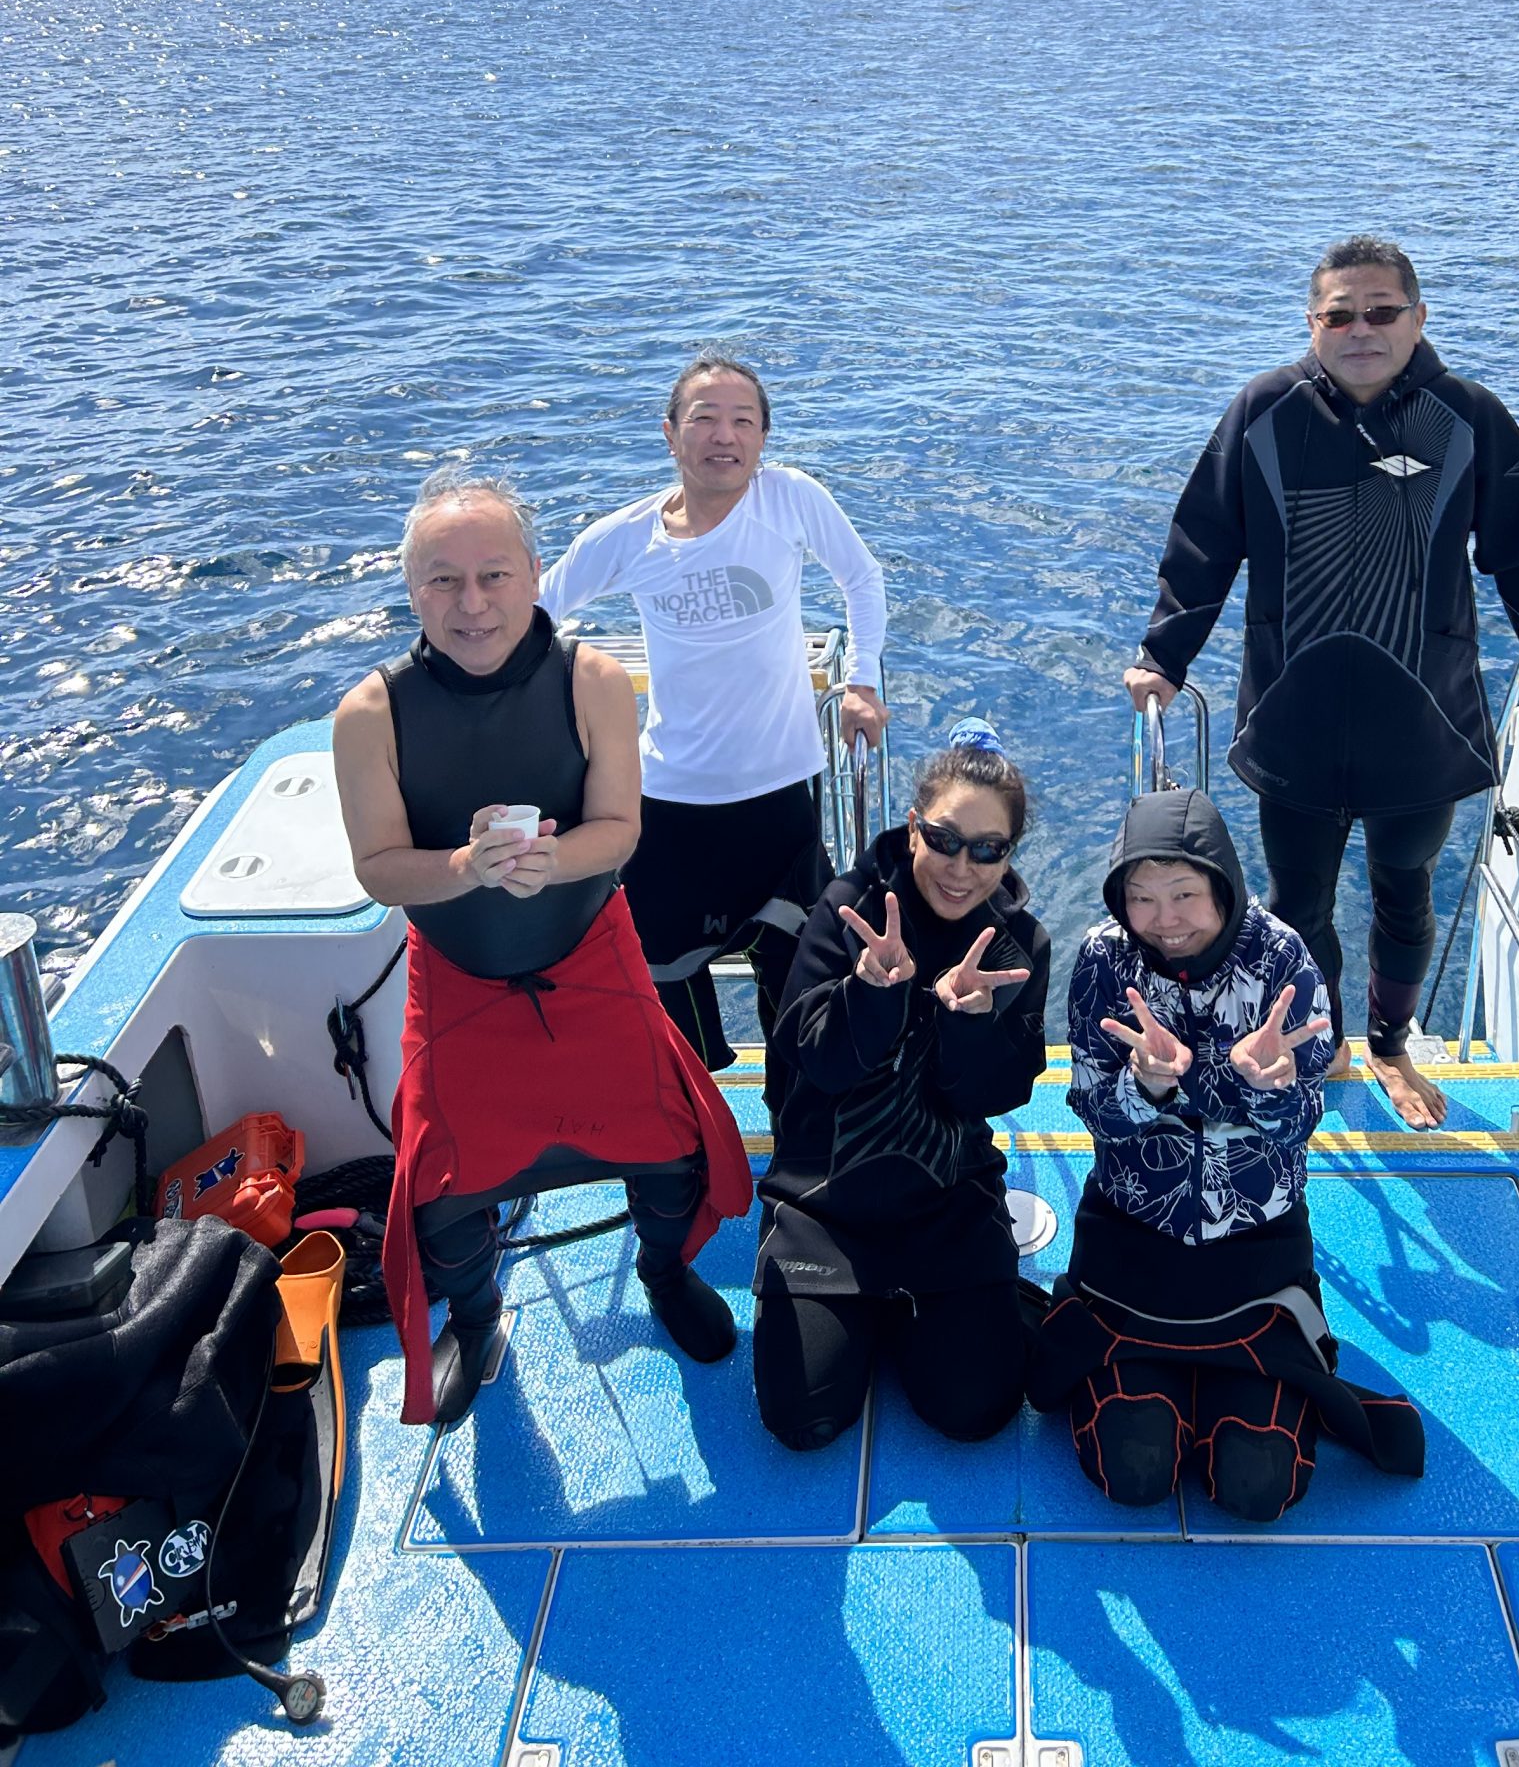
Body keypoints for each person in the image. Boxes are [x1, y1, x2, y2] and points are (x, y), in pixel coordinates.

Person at [1123, 235, 1519, 1128]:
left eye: (1381, 311)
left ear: (1418, 319)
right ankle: (1324, 1042)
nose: (1361, 329)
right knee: (1296, 903)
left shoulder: (1469, 417)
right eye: (1339, 314)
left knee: (1404, 892)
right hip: (1292, 718)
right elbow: (1203, 543)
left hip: (1421, 724)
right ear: (1312, 324)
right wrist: (1164, 657)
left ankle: (1389, 1046)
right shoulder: (1263, 411)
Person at [333, 465, 753, 1429]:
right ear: (411, 591)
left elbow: (620, 830)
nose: (472, 603)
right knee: (443, 1188)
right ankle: (477, 1320)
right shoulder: (371, 715)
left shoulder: (591, 680)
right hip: (458, 978)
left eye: (494, 575)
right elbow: (379, 869)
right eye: (444, 580)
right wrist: (463, 868)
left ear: (533, 575)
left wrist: (552, 861)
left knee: (667, 1148)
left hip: (589, 957)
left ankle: (664, 1273)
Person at [1027, 788, 1424, 1521]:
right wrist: (1145, 1086)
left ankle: (1239, 1384)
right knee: (1134, 1468)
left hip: (1255, 1254)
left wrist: (1267, 1089)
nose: (1164, 919)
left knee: (1257, 1481)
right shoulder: (1103, 959)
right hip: (1132, 1244)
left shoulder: (1283, 959)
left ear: (1223, 886)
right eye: (1141, 898)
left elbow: (1299, 1127)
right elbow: (1091, 1110)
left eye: (1184, 894)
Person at [540, 355, 888, 1071]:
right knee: (662, 988)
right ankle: (695, 1118)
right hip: (672, 803)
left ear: (762, 438)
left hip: (781, 797)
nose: (723, 436)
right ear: (671, 434)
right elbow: (537, 612)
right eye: (704, 419)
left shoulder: (789, 498)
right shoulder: (628, 535)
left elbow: (861, 576)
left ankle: (798, 1116)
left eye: (742, 421)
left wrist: (861, 682)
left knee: (802, 983)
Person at [752, 726, 1049, 1453]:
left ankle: (953, 1302)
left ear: (1009, 853)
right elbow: (813, 1063)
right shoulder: (850, 908)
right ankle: (871, 1312)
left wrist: (970, 1025)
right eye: (945, 840)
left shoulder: (1018, 947)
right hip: (824, 1200)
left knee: (976, 1411)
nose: (962, 868)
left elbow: (997, 1094)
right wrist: (871, 994)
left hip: (946, 1199)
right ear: (914, 827)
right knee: (803, 1419)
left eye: (988, 849)